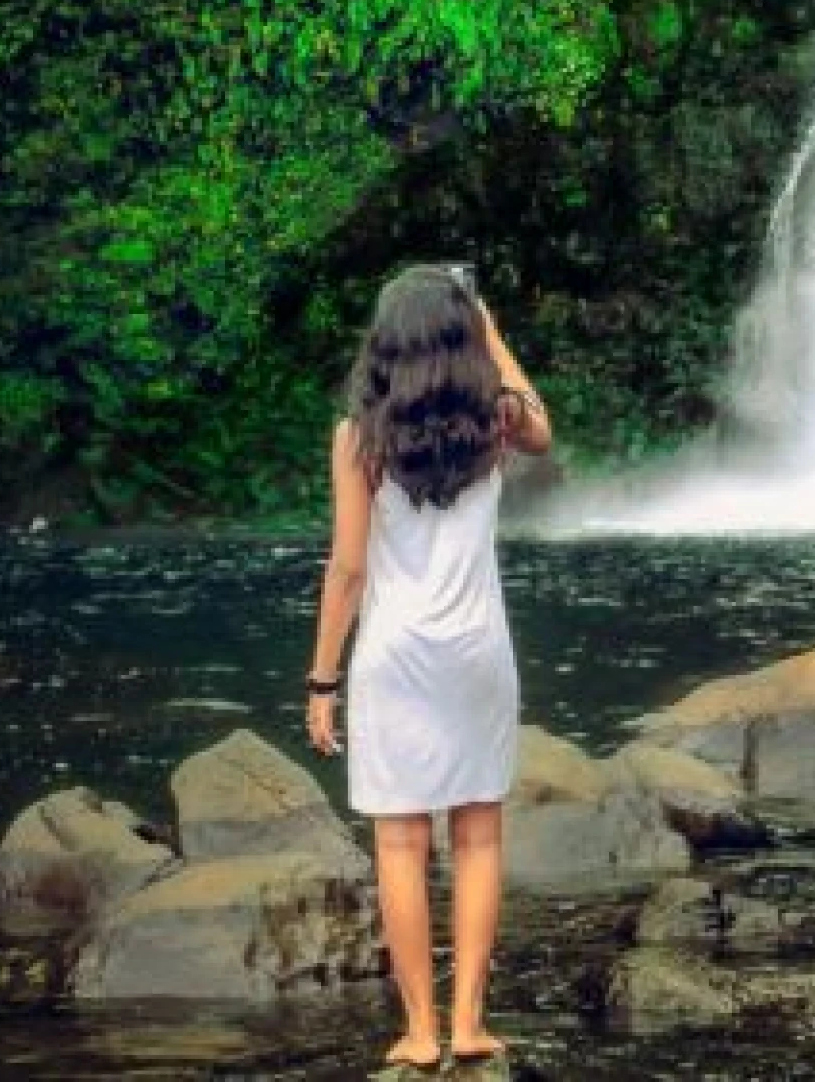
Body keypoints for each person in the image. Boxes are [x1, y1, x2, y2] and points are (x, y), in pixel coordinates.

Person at [305, 265, 552, 1074]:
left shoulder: (360, 438)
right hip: (479, 652)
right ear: (462, 335)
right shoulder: (497, 420)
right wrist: (494, 333)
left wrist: (321, 681)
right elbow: (544, 430)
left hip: (396, 657)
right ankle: (471, 1022)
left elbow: (349, 570)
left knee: (401, 842)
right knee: (478, 837)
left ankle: (419, 1032)